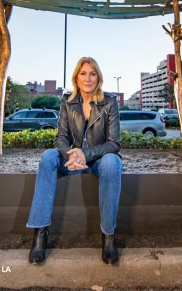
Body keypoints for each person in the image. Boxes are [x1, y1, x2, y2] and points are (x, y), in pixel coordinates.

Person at [26, 56, 123, 265]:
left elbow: (114, 143)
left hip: (98, 160)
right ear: (76, 77)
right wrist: (72, 154)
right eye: (83, 73)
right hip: (71, 160)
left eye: (92, 73)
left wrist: (85, 154)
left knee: (112, 162)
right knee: (48, 156)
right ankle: (40, 235)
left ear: (98, 77)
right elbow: (60, 137)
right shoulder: (67, 101)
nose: (88, 78)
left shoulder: (110, 101)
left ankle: (108, 236)